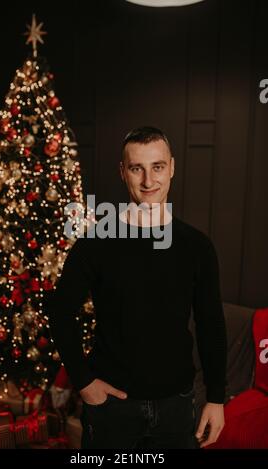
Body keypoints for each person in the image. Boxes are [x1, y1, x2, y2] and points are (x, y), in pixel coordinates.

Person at [44, 126, 227, 449]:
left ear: (171, 167)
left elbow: (211, 324)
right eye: (136, 168)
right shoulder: (96, 242)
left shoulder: (196, 246)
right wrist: (84, 382)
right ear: (122, 172)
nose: (148, 181)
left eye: (157, 167)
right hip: (112, 407)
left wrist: (216, 398)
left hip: (177, 406)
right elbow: (60, 311)